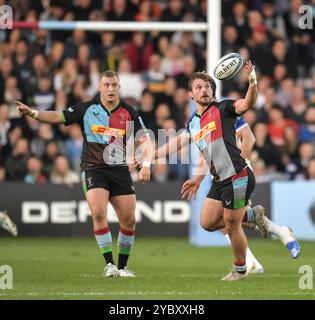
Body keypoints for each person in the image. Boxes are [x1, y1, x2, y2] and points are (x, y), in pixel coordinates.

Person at [15, 70, 152, 278]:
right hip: (93, 169)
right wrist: (33, 113)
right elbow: (56, 116)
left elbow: (146, 140)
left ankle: (123, 267)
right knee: (98, 213)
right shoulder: (86, 109)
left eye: (114, 85)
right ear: (99, 87)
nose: (110, 89)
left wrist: (146, 164)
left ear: (119, 87)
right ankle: (109, 264)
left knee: (129, 221)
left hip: (119, 170)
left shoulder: (129, 112)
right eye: (106, 85)